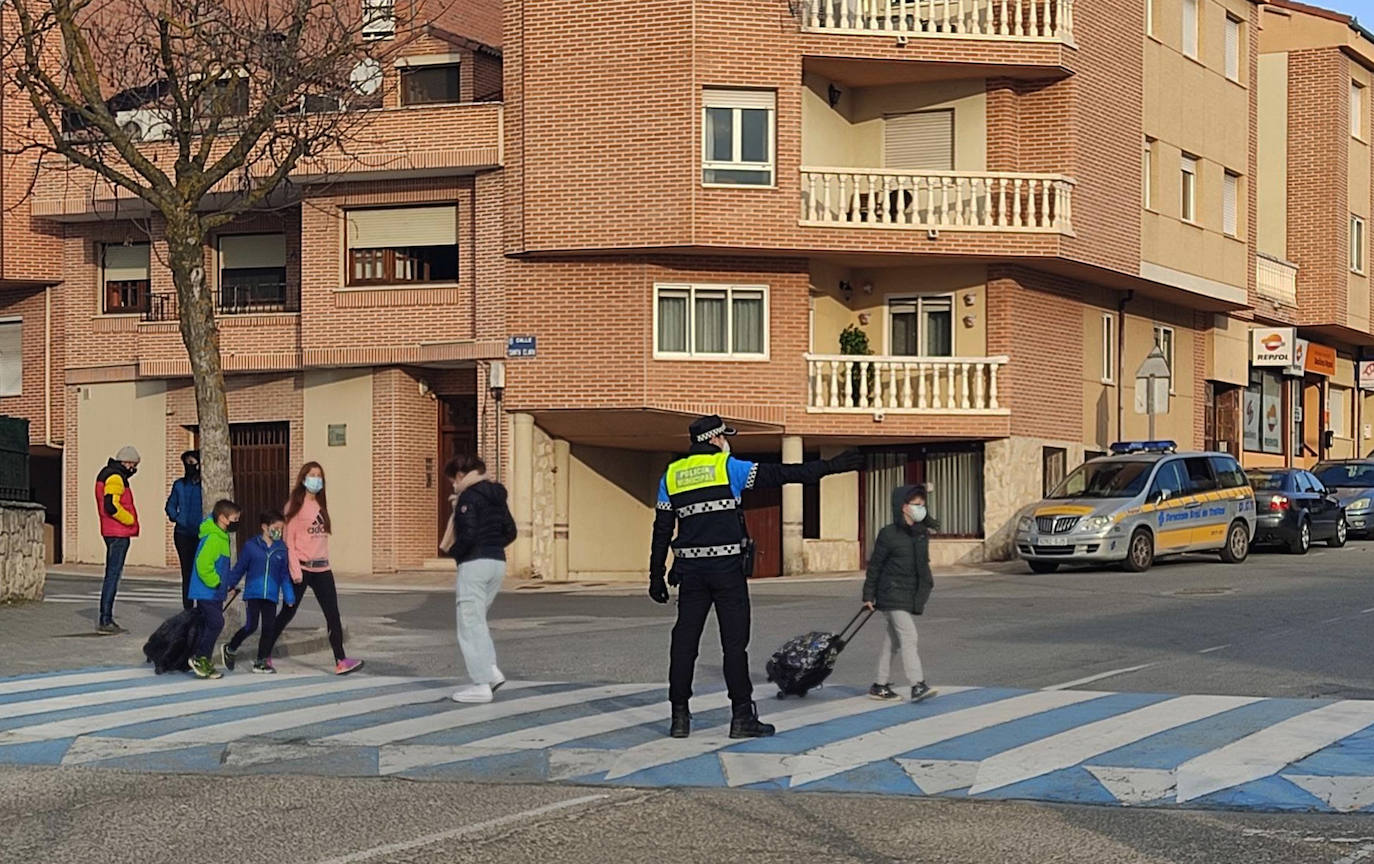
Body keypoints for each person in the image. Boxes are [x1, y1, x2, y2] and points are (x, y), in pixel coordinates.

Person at [648, 415, 862, 739]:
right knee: (734, 648)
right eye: (725, 438)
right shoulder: (728, 468)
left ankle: (679, 719)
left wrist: (655, 574)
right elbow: (786, 474)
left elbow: (662, 529)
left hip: (691, 574)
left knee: (684, 645)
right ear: (716, 439)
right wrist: (833, 467)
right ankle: (741, 718)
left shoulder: (672, 476)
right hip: (726, 573)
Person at [263, 462, 363, 675]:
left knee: (333, 614)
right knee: (288, 613)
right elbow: (288, 540)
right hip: (301, 567)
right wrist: (295, 570)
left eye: (319, 476)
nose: (316, 479)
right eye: (312, 475)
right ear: (303, 479)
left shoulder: (320, 503)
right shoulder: (294, 505)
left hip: (322, 568)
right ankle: (264, 654)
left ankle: (340, 659)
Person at [441, 455, 518, 704]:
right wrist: (492, 545)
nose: (453, 485)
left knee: (469, 623)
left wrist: (456, 553)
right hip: (496, 562)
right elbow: (510, 531)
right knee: (478, 621)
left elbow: (469, 533)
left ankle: (481, 684)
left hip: (474, 563)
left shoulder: (469, 497)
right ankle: (491, 673)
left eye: (453, 479)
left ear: (462, 475)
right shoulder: (496, 497)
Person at [863, 484, 938, 703]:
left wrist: (925, 587)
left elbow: (922, 566)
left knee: (892, 642)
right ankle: (917, 685)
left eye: (922, 505)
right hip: (890, 593)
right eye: (916, 505)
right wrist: (869, 595)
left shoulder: (920, 534)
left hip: (907, 593)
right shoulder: (888, 534)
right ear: (903, 507)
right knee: (909, 636)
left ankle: (880, 685)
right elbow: (875, 566)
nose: (920, 509)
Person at [221, 510, 294, 674]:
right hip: (254, 593)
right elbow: (240, 568)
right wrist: (229, 584)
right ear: (264, 527)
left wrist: (289, 595)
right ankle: (231, 648)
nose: (279, 532)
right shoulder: (251, 546)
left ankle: (261, 661)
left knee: (269, 628)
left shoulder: (281, 549)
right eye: (275, 528)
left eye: (281, 529)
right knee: (251, 626)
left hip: (271, 595)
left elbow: (284, 575)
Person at [186, 499, 242, 679]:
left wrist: (226, 586)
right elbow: (203, 565)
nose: (236, 522)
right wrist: (217, 583)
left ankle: (203, 660)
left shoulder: (221, 537)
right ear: (223, 518)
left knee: (208, 625)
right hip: (207, 591)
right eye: (235, 518)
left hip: (214, 591)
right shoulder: (213, 538)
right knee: (216, 623)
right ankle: (200, 658)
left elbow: (221, 567)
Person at [95, 445, 141, 634]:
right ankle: (106, 619)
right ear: (128, 462)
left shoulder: (107, 474)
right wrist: (129, 520)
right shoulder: (115, 477)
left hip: (110, 531)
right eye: (134, 465)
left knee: (112, 574)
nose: (134, 469)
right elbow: (111, 506)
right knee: (113, 575)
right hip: (118, 532)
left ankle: (106, 617)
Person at [165, 450, 203, 610]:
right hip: (183, 534)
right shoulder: (179, 485)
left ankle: (202, 608)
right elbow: (170, 505)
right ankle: (188, 609)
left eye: (193, 463)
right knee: (187, 573)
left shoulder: (206, 485)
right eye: (187, 463)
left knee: (201, 572)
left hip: (202, 534)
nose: (190, 467)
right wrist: (177, 517)